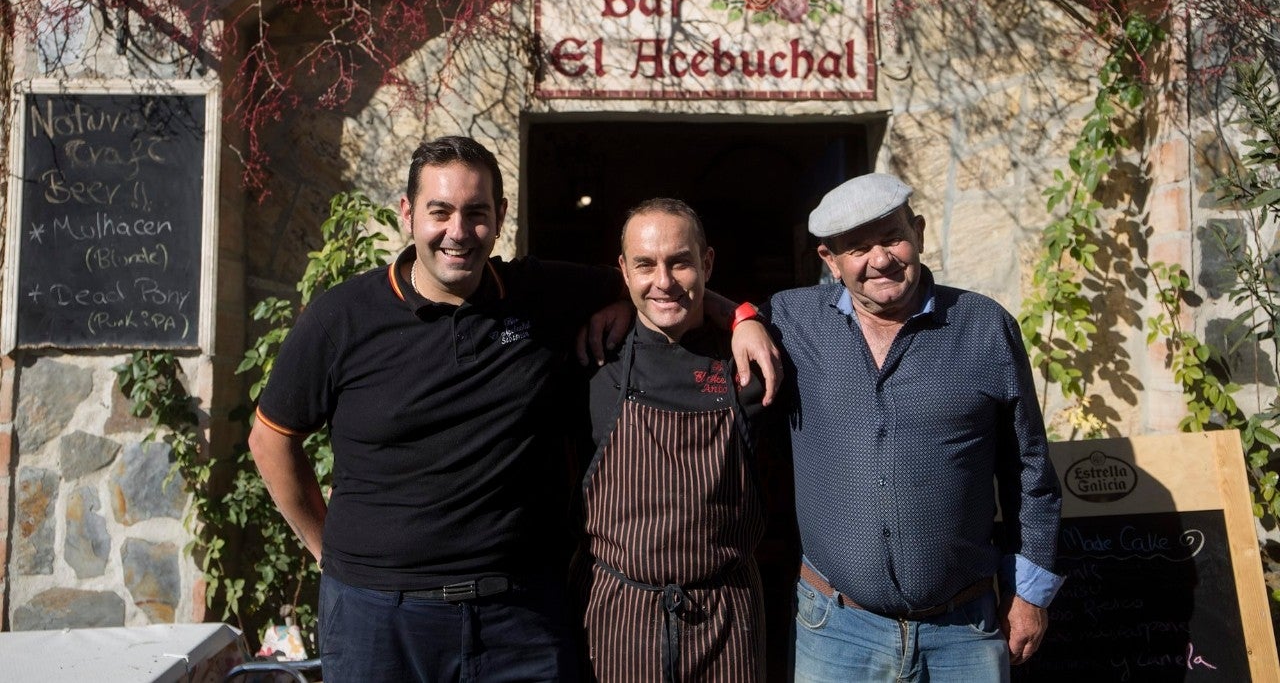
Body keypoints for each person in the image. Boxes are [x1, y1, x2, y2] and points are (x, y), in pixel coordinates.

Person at [248, 136, 778, 683]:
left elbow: (663, 292)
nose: (458, 232)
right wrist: (327, 551)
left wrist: (740, 315)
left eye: (476, 213)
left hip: (518, 619)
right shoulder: (343, 317)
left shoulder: (539, 295)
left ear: (499, 217)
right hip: (380, 619)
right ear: (408, 214)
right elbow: (270, 441)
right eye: (440, 212)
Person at [765, 172, 1063, 682]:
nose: (879, 260)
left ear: (920, 232)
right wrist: (743, 316)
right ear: (829, 262)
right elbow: (686, 304)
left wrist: (1030, 593)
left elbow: (1029, 469)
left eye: (891, 238)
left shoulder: (984, 326)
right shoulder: (791, 320)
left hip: (963, 632)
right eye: (856, 248)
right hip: (834, 630)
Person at [571, 199, 787, 682]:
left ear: (707, 263)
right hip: (616, 619)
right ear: (623, 271)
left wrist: (743, 315)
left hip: (728, 619)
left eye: (681, 262)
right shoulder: (591, 360)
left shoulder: (754, 365)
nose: (663, 282)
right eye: (645, 264)